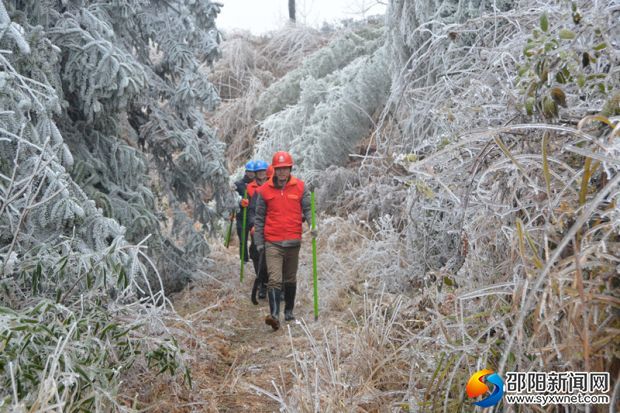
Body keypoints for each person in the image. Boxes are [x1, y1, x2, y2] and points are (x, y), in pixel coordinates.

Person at [254, 151, 317, 331]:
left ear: (290, 169)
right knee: (275, 278)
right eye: (279, 169)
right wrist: (259, 241)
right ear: (274, 169)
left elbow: (308, 209)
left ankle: (288, 310)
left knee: (289, 278)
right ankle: (274, 316)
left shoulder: (300, 187)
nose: (282, 173)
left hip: (293, 240)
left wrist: (313, 225)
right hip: (272, 241)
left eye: (285, 169)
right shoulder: (264, 190)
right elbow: (259, 218)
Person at [245, 160, 269, 303]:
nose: (261, 174)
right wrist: (252, 224)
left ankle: (278, 285)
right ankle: (261, 283)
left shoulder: (274, 185)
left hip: (273, 227)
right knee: (256, 254)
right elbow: (251, 211)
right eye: (258, 172)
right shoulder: (250, 188)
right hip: (257, 227)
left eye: (263, 171)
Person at [234, 160, 256, 262]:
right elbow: (233, 200)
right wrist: (240, 202)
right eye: (249, 171)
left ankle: (254, 257)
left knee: (255, 241)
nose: (251, 174)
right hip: (241, 217)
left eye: (253, 171)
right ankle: (244, 259)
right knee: (243, 240)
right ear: (246, 171)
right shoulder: (238, 184)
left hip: (254, 217)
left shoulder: (258, 184)